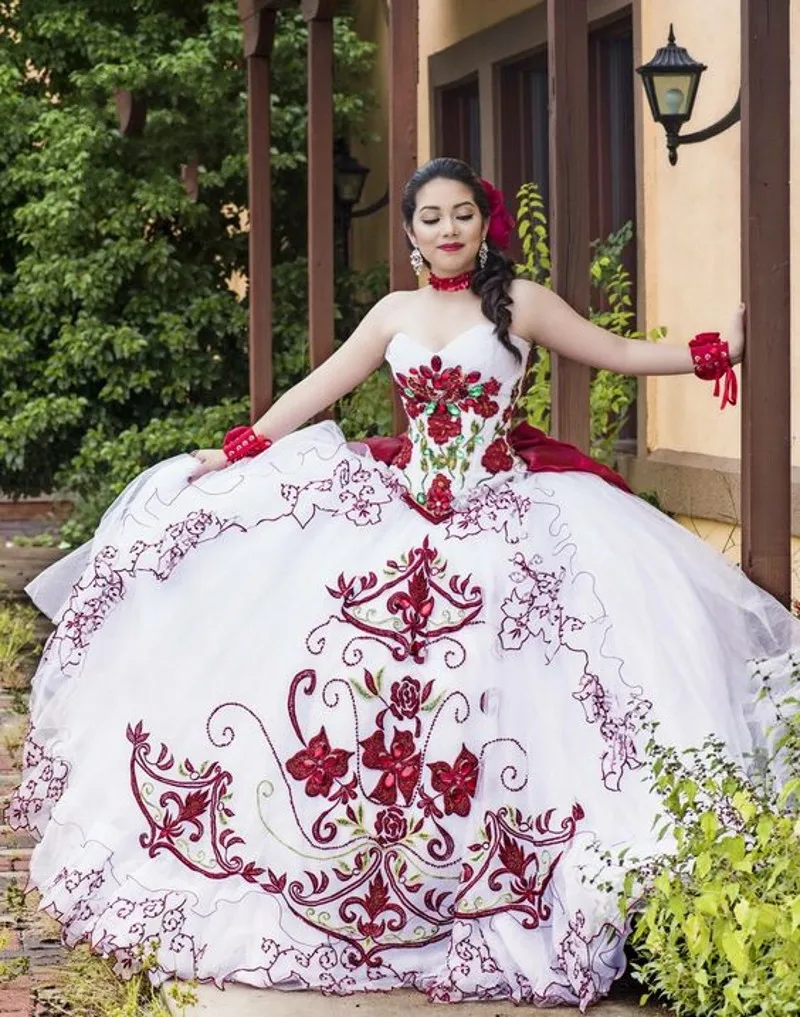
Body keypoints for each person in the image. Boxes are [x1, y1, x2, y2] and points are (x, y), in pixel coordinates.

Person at [8, 158, 798, 1010]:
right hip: (402, 508)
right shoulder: (393, 313)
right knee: (344, 691)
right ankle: (354, 884)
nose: (448, 230)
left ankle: (507, 888)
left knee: (523, 703)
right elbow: (319, 388)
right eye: (431, 217)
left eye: (462, 214)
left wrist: (718, 350)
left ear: (482, 224)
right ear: (412, 232)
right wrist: (233, 450)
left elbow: (613, 352)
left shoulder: (521, 302)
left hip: (505, 516)